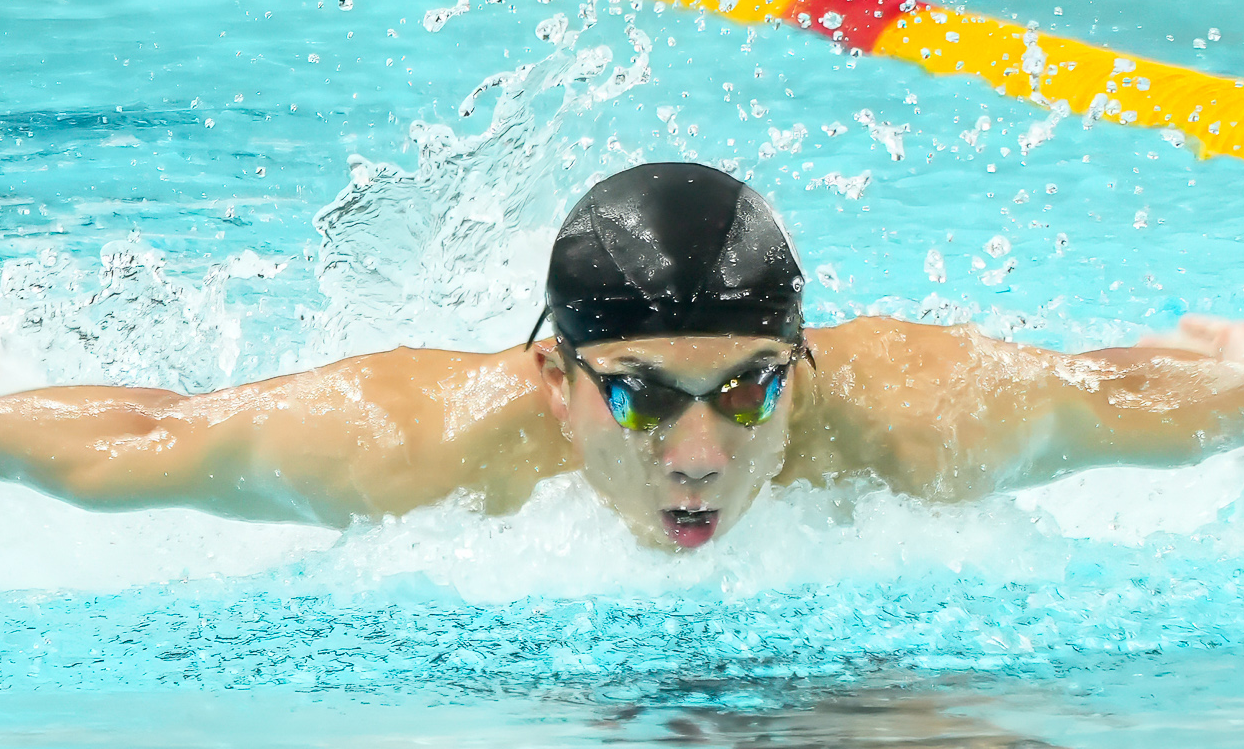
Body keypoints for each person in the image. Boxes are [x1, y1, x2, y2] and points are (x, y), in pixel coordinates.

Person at [1, 163, 1241, 550]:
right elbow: (141, 440)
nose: (701, 455)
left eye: (748, 388)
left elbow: (1130, 403)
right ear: (554, 377)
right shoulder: (412, 447)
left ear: (799, 366)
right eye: (643, 400)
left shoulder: (915, 417)